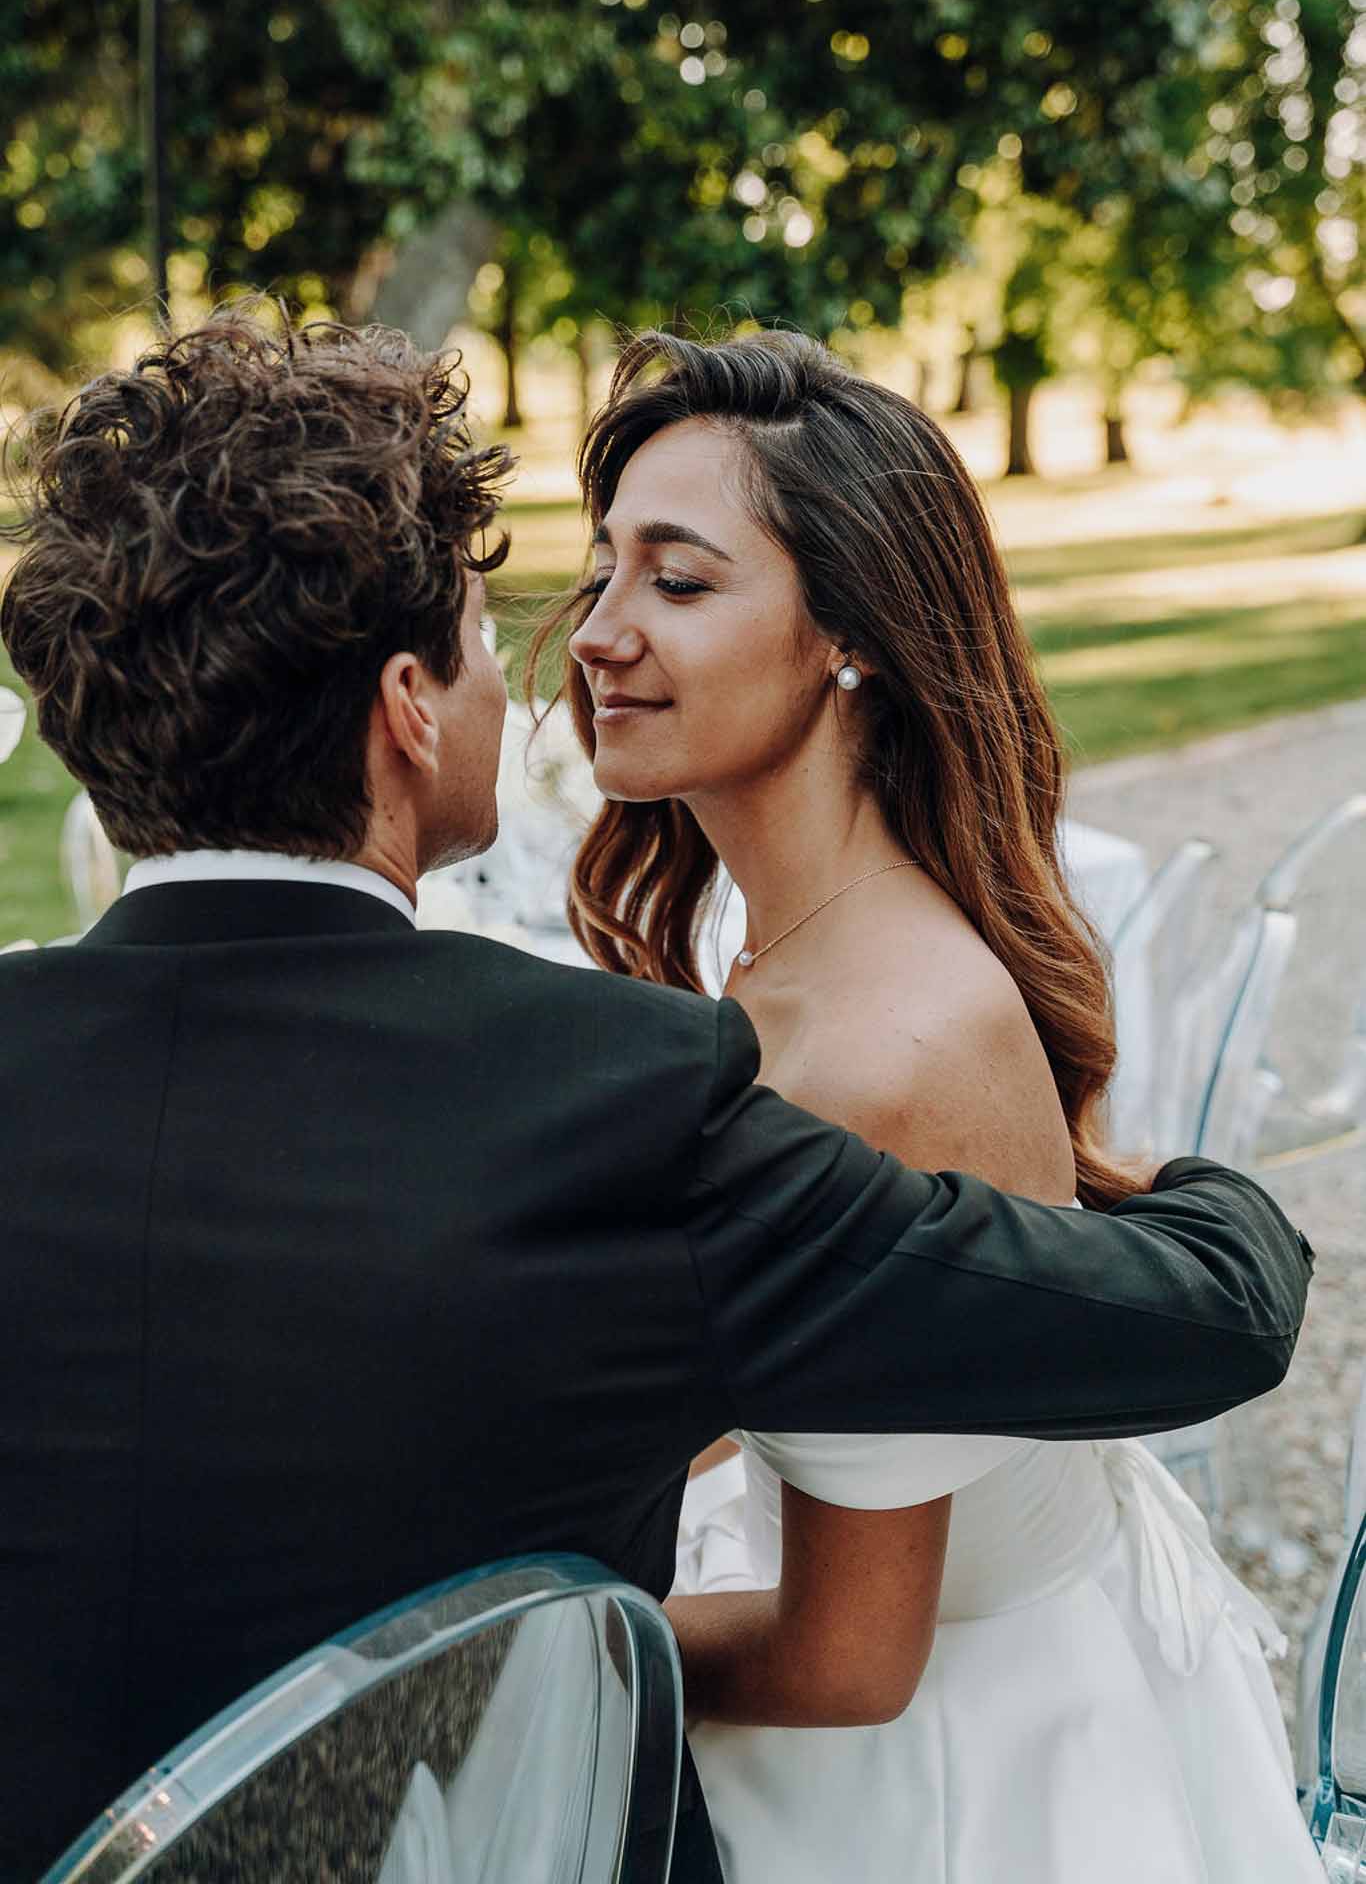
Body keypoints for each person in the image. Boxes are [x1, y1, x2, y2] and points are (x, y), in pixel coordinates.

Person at [0, 310, 1311, 1884]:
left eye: (671, 578)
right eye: (526, 612)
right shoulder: (611, 1094)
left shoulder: (768, 1064)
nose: (584, 640)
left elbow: (839, 1628)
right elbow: (1197, 1316)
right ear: (408, 706)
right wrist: (1200, 1196)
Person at [547, 327, 1323, 1882]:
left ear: (849, 638)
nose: (598, 633)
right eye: (604, 570)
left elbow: (847, 1667)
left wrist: (545, 1662)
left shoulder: (869, 1061)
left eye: (677, 583)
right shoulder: (811, 945)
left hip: (939, 1783)